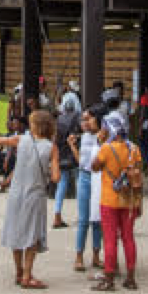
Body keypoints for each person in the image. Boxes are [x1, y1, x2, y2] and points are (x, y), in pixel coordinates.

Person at [0, 109, 60, 288]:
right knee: (32, 236)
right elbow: (56, 177)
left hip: (16, 195)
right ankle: (27, 276)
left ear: (34, 125)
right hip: (35, 196)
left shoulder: (22, 139)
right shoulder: (51, 147)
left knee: (17, 232)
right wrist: (48, 169)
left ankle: (19, 272)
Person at [90, 112, 143, 291]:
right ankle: (130, 278)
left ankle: (109, 279)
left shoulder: (106, 148)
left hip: (110, 200)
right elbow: (138, 176)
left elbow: (94, 166)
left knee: (110, 239)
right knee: (129, 238)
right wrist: (139, 202)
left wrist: (100, 142)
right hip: (129, 201)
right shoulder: (134, 148)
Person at [71, 108, 103, 272]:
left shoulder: (103, 136)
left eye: (87, 119)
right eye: (82, 120)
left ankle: (96, 256)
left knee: (97, 220)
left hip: (98, 178)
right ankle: (79, 257)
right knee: (84, 220)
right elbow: (82, 162)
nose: (84, 122)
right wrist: (72, 146)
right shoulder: (83, 137)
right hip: (84, 177)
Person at [52, 96, 80, 229]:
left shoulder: (59, 119)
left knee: (61, 186)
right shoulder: (77, 118)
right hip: (74, 156)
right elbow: (76, 137)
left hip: (62, 156)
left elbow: (55, 139)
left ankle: (57, 214)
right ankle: (81, 215)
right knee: (79, 184)